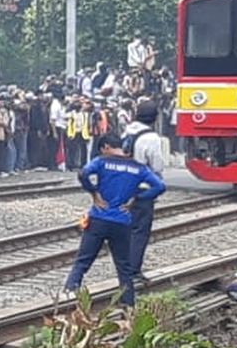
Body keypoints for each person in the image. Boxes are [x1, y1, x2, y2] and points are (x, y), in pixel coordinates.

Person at [63, 134, 167, 307]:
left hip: (98, 217)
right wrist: (138, 198)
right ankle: (128, 305)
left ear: (105, 147)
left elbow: (83, 173)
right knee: (124, 266)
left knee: (83, 260)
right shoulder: (138, 168)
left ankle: (69, 292)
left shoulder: (102, 161)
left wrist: (94, 192)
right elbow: (160, 186)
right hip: (122, 221)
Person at [123, 100, 167, 284]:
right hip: (143, 188)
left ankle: (123, 266)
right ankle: (133, 270)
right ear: (155, 118)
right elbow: (157, 165)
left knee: (126, 228)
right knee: (140, 230)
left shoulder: (127, 131)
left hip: (124, 185)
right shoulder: (152, 138)